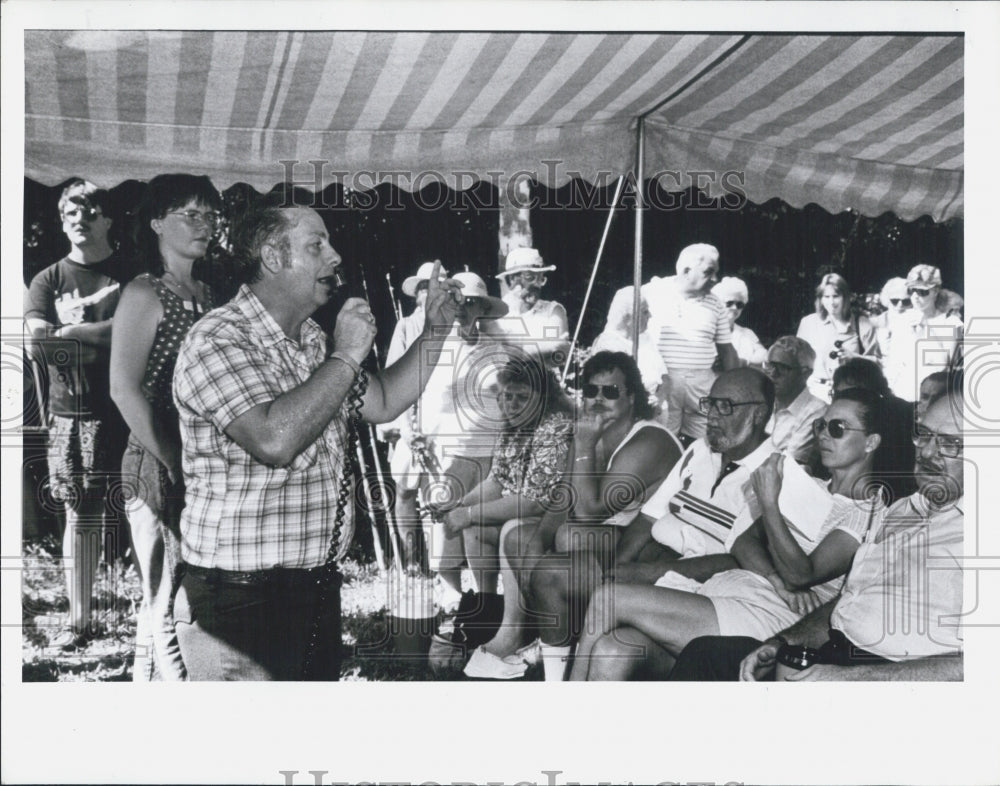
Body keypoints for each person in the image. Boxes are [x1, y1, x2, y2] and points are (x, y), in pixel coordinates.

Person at [170, 198, 461, 680]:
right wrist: (346, 355)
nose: (335, 256)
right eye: (316, 244)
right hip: (238, 602)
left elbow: (385, 400)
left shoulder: (310, 339)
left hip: (312, 587)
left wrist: (436, 330)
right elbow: (273, 440)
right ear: (272, 256)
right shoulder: (217, 339)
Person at [569, 387, 888, 680]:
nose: (823, 436)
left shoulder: (868, 511)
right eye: (821, 425)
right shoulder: (810, 486)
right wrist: (777, 578)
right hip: (735, 592)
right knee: (614, 649)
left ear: (871, 442)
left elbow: (802, 573)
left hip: (774, 616)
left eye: (837, 429)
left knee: (609, 599)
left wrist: (770, 505)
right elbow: (743, 541)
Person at [669, 390, 964, 682]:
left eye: (951, 443)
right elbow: (846, 602)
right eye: (924, 434)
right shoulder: (902, 509)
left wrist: (858, 678)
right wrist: (783, 643)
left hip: (889, 677)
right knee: (705, 655)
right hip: (833, 650)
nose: (926, 452)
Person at [464, 351, 681, 679]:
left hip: (649, 548)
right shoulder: (594, 432)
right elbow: (562, 500)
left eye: (610, 392)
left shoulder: (649, 439)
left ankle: (563, 645)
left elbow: (590, 511)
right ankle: (554, 640)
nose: (598, 400)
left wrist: (581, 449)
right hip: (607, 542)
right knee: (519, 536)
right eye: (591, 391)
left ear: (632, 397)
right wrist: (533, 548)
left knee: (567, 535)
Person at [109, 174, 222, 680]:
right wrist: (172, 459)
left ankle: (143, 687)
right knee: (165, 596)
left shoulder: (212, 293)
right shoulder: (142, 292)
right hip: (156, 460)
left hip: (203, 458)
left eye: (209, 213)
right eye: (190, 214)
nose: (205, 224)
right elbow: (124, 390)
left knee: (178, 588)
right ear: (156, 223)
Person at [25, 179, 128, 648]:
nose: (80, 221)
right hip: (73, 417)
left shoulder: (133, 275)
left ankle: (161, 615)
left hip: (134, 411)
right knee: (80, 518)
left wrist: (74, 328)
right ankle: (81, 620)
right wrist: (99, 328)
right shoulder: (47, 280)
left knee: (150, 512)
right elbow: (37, 344)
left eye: (90, 212)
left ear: (108, 219)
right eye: (70, 214)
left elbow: (136, 335)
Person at [400, 271, 509, 599]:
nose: (463, 308)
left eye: (471, 302)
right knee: (443, 523)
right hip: (442, 450)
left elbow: (509, 400)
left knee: (479, 523)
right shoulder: (431, 345)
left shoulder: (497, 350)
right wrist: (410, 431)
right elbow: (407, 392)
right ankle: (454, 596)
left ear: (483, 309)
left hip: (486, 451)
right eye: (456, 300)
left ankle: (485, 597)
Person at [440, 359, 573, 601]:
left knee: (496, 527)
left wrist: (468, 513)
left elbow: (533, 502)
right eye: (507, 396)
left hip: (555, 521)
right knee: (474, 529)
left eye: (522, 397)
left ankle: (519, 614)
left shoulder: (555, 428)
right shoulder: (513, 427)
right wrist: (460, 506)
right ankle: (487, 604)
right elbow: (496, 482)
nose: (512, 405)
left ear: (544, 399)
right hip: (525, 511)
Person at [643, 243, 738, 442]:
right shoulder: (653, 292)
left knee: (706, 439)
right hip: (663, 381)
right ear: (686, 271)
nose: (715, 279)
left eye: (716, 273)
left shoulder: (716, 304)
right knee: (661, 438)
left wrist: (733, 388)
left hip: (702, 384)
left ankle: (698, 473)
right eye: (708, 272)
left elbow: (726, 349)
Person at [831, 357, 916, 500]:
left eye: (850, 396)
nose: (842, 401)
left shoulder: (902, 419)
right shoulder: (837, 415)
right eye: (838, 395)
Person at [796, 272, 880, 403]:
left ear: (845, 297)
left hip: (850, 393)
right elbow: (797, 360)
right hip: (815, 392)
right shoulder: (808, 323)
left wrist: (854, 357)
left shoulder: (862, 324)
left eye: (836, 296)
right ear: (820, 299)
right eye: (826, 296)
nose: (831, 302)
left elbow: (878, 364)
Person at [885, 264, 963, 402]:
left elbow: (944, 366)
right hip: (901, 395)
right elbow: (893, 363)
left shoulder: (950, 323)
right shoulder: (901, 321)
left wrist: (926, 329)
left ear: (936, 291)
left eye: (922, 292)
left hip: (932, 398)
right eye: (912, 290)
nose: (915, 296)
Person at [494, 247, 569, 371]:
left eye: (540, 279)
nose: (537, 285)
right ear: (512, 279)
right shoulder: (498, 313)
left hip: (543, 384)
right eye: (530, 278)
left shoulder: (552, 311)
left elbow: (558, 355)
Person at [591, 285, 667, 402]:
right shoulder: (608, 345)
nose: (650, 316)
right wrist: (645, 404)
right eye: (645, 312)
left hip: (657, 407)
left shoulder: (644, 336)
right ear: (627, 318)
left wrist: (659, 399)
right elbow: (616, 390)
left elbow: (664, 376)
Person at [762, 336, 827, 468]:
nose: (773, 373)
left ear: (806, 373)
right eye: (770, 365)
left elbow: (788, 466)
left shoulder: (817, 411)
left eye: (782, 368)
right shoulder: (761, 400)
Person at [711, 276, 767, 367]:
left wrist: (743, 362)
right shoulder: (706, 332)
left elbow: (764, 355)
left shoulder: (747, 333)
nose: (734, 308)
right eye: (729, 303)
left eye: (739, 304)